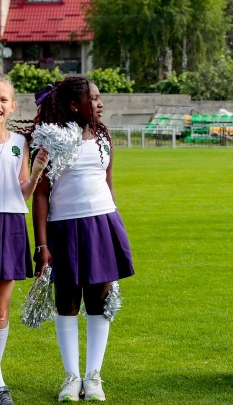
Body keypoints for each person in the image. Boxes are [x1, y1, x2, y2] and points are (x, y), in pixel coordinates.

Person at [31, 77, 134, 402]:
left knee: (100, 303)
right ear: (76, 104)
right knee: (67, 302)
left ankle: (93, 378)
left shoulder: (103, 136)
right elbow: (42, 195)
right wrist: (42, 244)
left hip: (102, 223)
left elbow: (108, 182)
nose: (100, 103)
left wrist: (114, 225)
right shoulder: (52, 138)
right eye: (94, 97)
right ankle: (71, 378)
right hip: (65, 228)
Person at [0, 77, 48, 405]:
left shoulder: (19, 141)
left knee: (0, 311)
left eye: (3, 99)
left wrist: (38, 170)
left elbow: (24, 192)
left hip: (11, 224)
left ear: (12, 105)